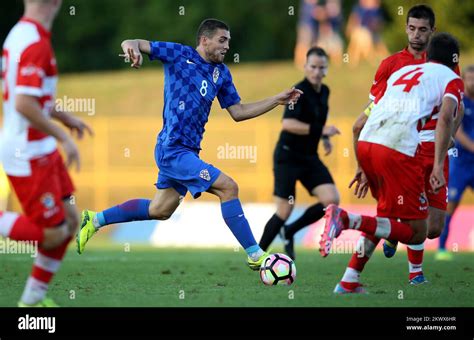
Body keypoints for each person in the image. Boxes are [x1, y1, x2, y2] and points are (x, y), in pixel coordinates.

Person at [76, 19, 302, 271]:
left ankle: (94, 219)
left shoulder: (221, 73)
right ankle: (254, 254)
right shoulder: (179, 54)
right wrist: (131, 47)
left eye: (228, 41)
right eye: (222, 40)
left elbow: (237, 111)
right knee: (228, 187)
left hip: (187, 151)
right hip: (173, 149)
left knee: (160, 209)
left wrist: (276, 100)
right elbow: (136, 42)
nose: (227, 46)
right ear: (204, 40)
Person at [321, 33, 464, 294]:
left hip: (368, 143)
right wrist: (438, 165)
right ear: (455, 60)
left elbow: (368, 117)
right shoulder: (452, 80)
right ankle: (347, 219)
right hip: (398, 149)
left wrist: (364, 165)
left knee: (385, 217)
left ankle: (349, 280)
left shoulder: (403, 73)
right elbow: (445, 118)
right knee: (417, 233)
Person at [1, 0, 92, 306]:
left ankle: (31, 299)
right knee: (52, 234)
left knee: (69, 220)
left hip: (39, 147)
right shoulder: (35, 43)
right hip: (27, 152)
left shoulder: (21, 34)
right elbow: (24, 103)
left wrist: (65, 117)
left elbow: (32, 96)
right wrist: (63, 137)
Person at [258, 47, 340, 260]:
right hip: (288, 156)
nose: (316, 71)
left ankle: (291, 230)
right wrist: (321, 131)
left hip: (309, 157)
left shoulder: (326, 91)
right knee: (284, 209)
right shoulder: (298, 92)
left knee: (331, 200)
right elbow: (287, 123)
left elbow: (319, 117)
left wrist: (324, 138)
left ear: (327, 69)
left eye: (321, 67)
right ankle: (256, 255)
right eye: (312, 66)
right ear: (305, 67)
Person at [436, 65, 474, 260]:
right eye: (469, 78)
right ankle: (441, 248)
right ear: (464, 80)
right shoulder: (460, 102)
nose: (472, 82)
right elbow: (456, 131)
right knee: (451, 205)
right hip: (460, 163)